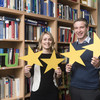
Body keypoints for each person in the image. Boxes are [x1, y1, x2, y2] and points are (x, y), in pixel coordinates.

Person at [66, 18, 100, 100]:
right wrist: (67, 69)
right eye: (76, 28)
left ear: (87, 28)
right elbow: (69, 66)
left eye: (81, 27)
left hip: (91, 89)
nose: (79, 30)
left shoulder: (96, 44)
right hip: (74, 87)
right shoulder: (72, 46)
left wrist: (98, 65)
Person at [24, 31, 62, 100]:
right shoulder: (34, 56)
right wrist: (26, 72)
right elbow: (29, 75)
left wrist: (59, 74)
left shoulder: (57, 57)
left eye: (49, 39)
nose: (47, 42)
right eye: (45, 39)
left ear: (52, 42)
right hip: (37, 93)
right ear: (41, 41)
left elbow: (58, 76)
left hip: (52, 92)